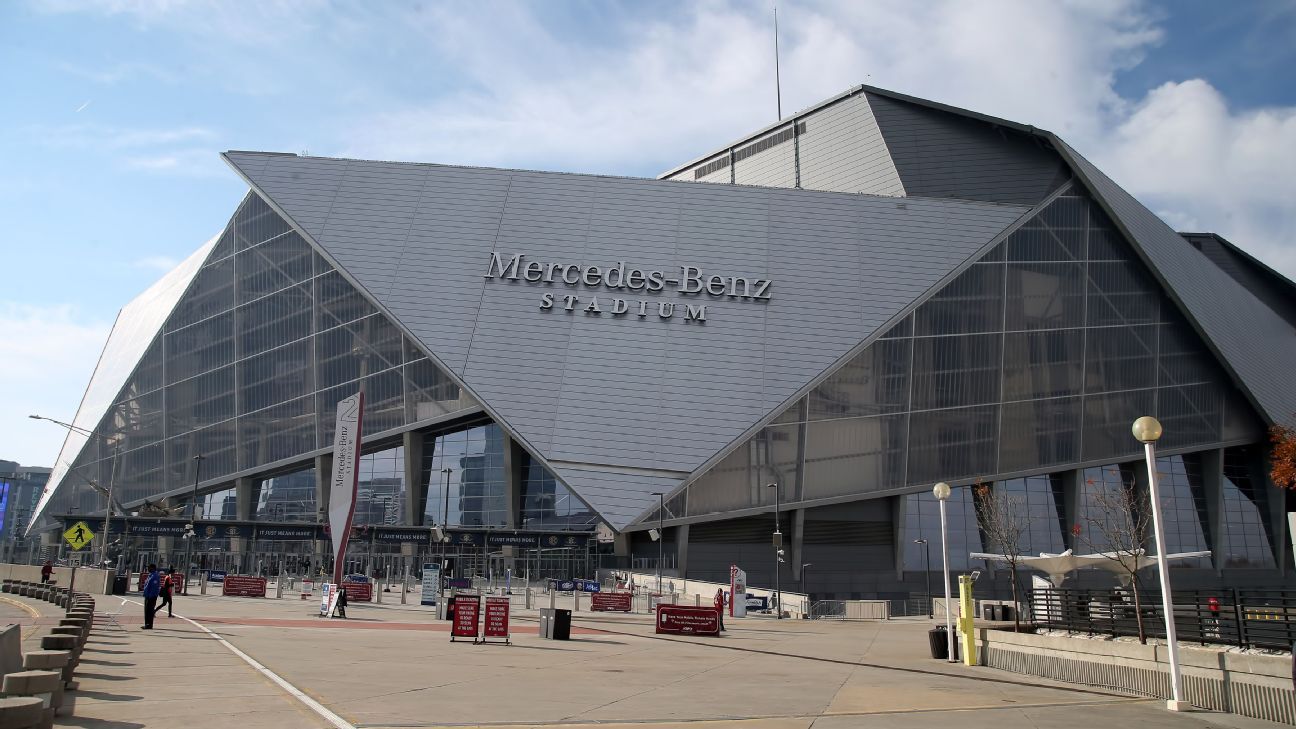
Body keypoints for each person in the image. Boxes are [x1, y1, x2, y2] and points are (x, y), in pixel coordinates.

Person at [141, 564, 161, 630]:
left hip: (151, 596)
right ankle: (147, 624)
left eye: (149, 568)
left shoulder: (155, 576)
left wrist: (151, 595)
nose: (148, 569)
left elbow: (154, 587)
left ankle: (149, 625)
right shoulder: (150, 575)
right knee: (146, 611)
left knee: (149, 610)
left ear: (153, 568)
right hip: (147, 595)